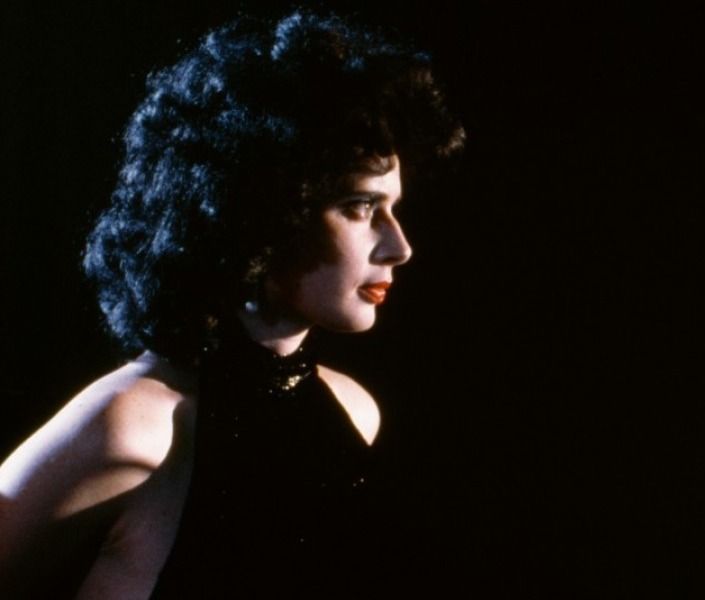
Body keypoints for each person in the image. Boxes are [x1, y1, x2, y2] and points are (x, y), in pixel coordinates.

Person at [0, 10, 463, 598]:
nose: (399, 247)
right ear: (261, 206)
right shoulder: (134, 424)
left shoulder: (353, 412)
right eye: (358, 206)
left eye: (393, 208)